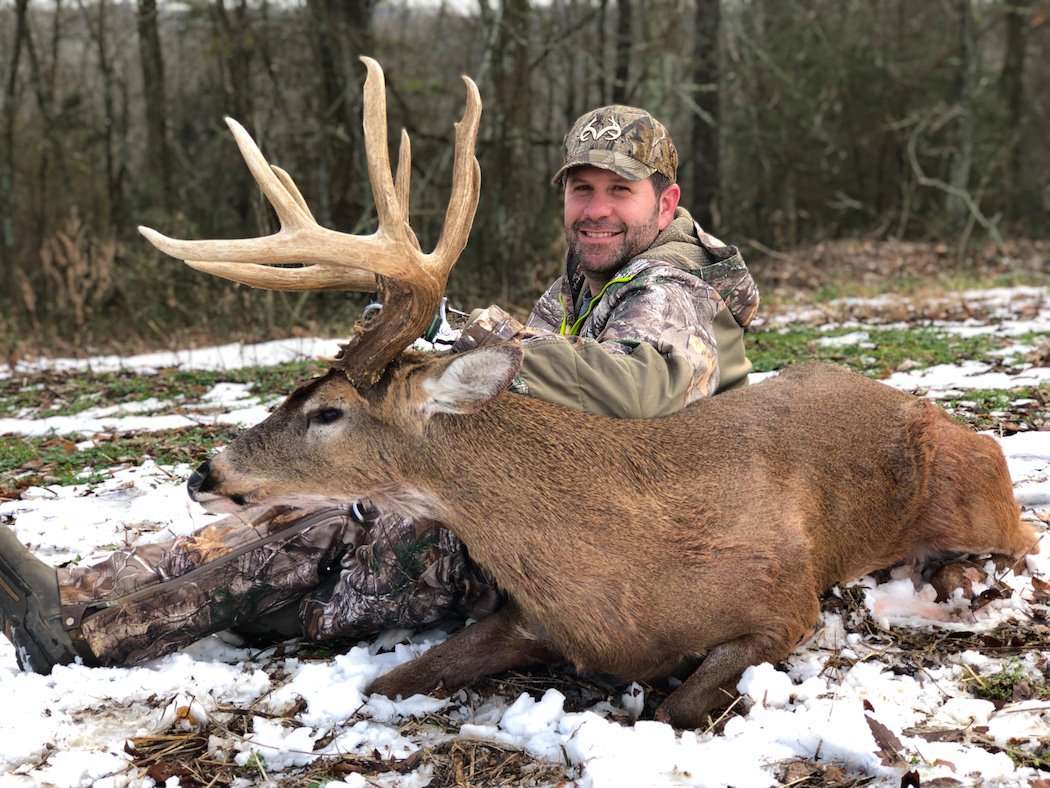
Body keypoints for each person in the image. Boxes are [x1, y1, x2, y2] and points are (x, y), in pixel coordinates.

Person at [0, 104, 759, 674]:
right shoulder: (583, 287)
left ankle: (90, 637)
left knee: (348, 528)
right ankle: (73, 588)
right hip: (547, 505)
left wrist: (484, 343)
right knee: (321, 496)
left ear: (665, 202)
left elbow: (644, 393)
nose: (595, 209)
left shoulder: (672, 287)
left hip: (617, 548)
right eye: (581, 189)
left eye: (618, 191)